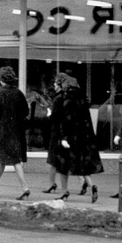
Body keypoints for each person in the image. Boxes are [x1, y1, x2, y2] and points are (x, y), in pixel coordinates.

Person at [48, 72, 103, 203]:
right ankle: (91, 186)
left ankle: (64, 191)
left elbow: (66, 117)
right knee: (81, 164)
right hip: (82, 135)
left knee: (62, 164)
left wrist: (64, 137)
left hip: (68, 136)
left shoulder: (65, 96)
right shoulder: (80, 96)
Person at [0, 66, 31, 201]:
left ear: (2, 80)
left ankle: (25, 188)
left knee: (14, 159)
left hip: (5, 131)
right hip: (17, 130)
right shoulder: (19, 93)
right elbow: (26, 111)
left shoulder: (0, 94)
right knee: (2, 159)